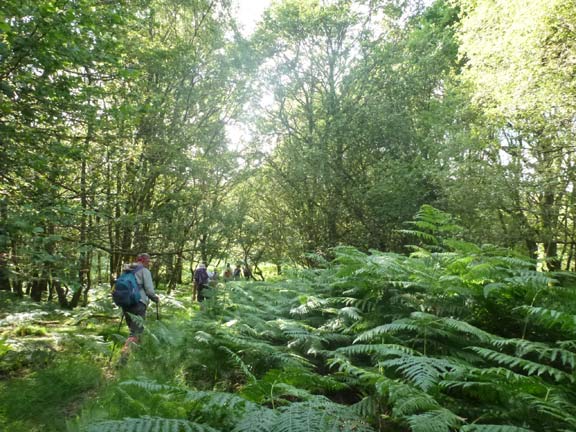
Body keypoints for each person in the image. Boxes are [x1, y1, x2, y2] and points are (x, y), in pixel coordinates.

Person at [121, 253, 159, 354]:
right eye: (148, 261)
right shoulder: (144, 271)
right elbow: (149, 290)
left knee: (135, 330)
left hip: (125, 303)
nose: (149, 263)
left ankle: (138, 353)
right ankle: (123, 359)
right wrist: (155, 298)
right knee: (135, 332)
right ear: (143, 260)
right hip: (139, 303)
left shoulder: (126, 270)